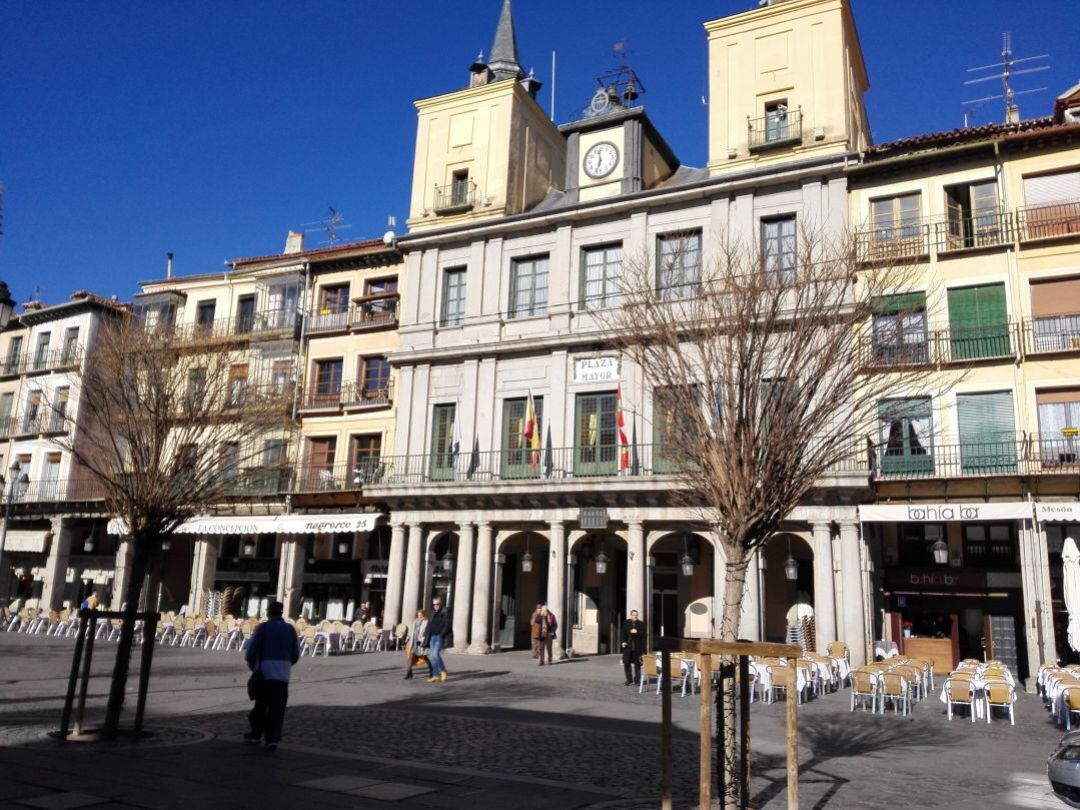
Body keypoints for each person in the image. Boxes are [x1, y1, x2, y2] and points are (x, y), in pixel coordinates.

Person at [243, 601, 300, 750]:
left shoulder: (263, 628)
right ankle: (272, 738)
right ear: (281, 612)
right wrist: (286, 664)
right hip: (283, 673)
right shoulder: (290, 629)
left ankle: (256, 734)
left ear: (268, 612)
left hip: (265, 672)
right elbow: (295, 654)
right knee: (277, 707)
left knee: (261, 705)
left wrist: (253, 666)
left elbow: (251, 651)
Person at [425, 597, 451, 683]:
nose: (436, 606)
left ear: (440, 603)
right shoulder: (432, 613)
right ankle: (436, 675)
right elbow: (429, 625)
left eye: (437, 604)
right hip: (432, 636)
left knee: (435, 654)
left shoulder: (445, 611)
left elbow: (447, 625)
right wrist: (425, 635)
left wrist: (441, 634)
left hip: (438, 636)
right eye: (434, 604)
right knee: (431, 656)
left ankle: (443, 670)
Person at [621, 609, 646, 686]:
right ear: (631, 615)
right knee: (626, 663)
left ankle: (637, 680)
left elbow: (644, 634)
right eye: (633, 615)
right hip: (628, 646)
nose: (635, 616)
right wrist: (623, 642)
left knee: (637, 664)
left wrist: (637, 632)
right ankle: (629, 679)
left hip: (637, 647)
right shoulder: (626, 622)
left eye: (636, 615)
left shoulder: (641, 624)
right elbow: (623, 633)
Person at [404, 609, 429, 680]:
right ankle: (409, 673)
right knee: (409, 657)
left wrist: (423, 639)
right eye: (418, 615)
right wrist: (408, 638)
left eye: (421, 615)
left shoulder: (426, 622)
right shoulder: (414, 621)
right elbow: (412, 631)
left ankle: (431, 671)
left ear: (423, 615)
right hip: (413, 641)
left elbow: (426, 632)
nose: (419, 616)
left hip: (420, 642)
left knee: (425, 657)